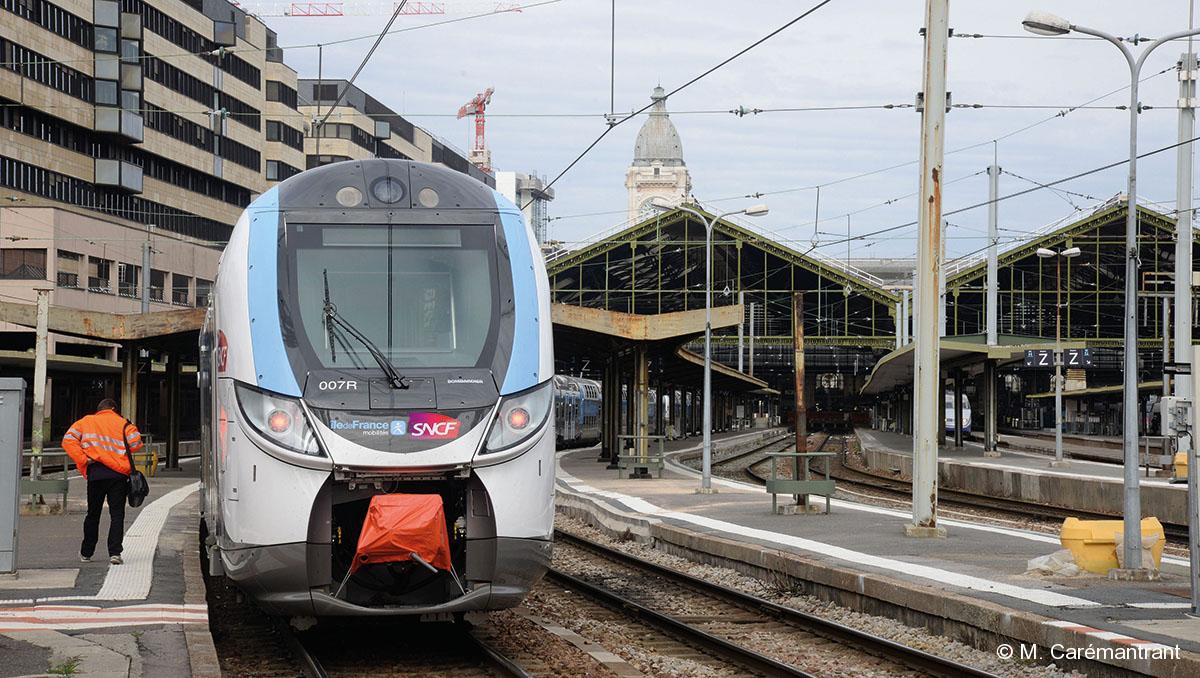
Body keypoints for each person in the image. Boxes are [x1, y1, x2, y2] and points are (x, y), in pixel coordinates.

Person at [62, 399, 144, 565]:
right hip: (118, 475)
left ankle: (87, 552)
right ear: (114, 409)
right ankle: (115, 553)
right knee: (117, 514)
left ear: (99, 410)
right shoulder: (123, 424)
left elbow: (68, 440)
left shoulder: (86, 421)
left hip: (95, 474)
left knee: (93, 514)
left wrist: (83, 458)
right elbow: (136, 444)